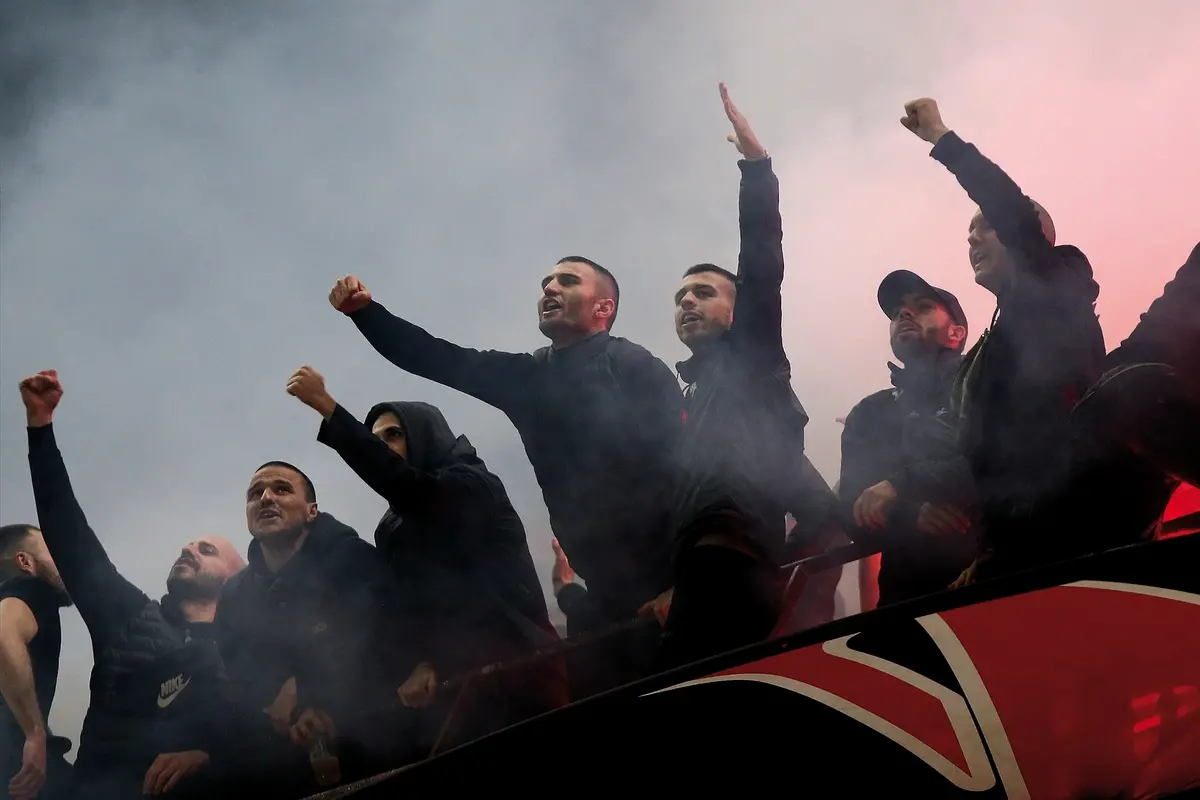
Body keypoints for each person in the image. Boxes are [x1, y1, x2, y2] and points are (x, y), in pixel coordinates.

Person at [327, 256, 680, 696]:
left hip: (676, 583)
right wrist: (365, 312)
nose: (549, 288)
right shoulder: (527, 377)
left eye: (566, 281)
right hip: (606, 597)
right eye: (545, 282)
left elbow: (687, 467)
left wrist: (684, 581)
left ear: (603, 308)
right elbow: (436, 357)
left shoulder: (634, 364)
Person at [286, 365, 567, 746]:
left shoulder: (473, 485)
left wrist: (327, 406)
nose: (383, 446)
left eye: (394, 435)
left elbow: (417, 495)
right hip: (453, 696)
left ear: (426, 436)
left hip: (521, 674)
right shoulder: (390, 528)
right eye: (375, 439)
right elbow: (402, 610)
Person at [901, 98, 1112, 579]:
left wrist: (943, 140)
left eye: (986, 227)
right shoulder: (990, 349)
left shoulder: (1055, 292)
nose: (972, 240)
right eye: (968, 233)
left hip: (1065, 539)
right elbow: (980, 452)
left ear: (1031, 237)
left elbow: (1012, 209)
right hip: (1015, 539)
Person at [19, 370, 245, 799]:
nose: (190, 551)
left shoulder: (245, 646)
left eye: (208, 551)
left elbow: (262, 734)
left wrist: (207, 754)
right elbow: (71, 538)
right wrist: (40, 430)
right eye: (188, 545)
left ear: (233, 579)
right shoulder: (132, 620)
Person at [655, 83, 814, 668]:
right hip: (705, 572)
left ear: (735, 308)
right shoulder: (695, 400)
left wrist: (756, 169)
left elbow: (762, 264)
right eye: (679, 297)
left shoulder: (751, 358)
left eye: (702, 292)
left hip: (732, 573)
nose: (687, 303)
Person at [214, 460, 417, 797]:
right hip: (293, 771)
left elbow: (393, 642)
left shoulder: (354, 561)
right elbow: (239, 683)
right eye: (255, 494)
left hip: (386, 746)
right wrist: (282, 711)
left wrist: (313, 696)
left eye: (281, 489)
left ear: (312, 511)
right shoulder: (235, 597)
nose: (266, 498)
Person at [839, 271, 978, 606]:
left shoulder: (984, 385)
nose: (903, 314)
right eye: (896, 312)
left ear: (956, 332)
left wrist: (902, 484)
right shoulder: (869, 413)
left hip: (998, 584)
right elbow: (848, 510)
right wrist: (911, 515)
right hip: (904, 606)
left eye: (923, 306)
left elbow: (1007, 462)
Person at [0, 525, 72, 800]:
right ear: (25, 561)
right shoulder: (32, 586)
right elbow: (4, 632)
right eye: (53, 552)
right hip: (18, 771)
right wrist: (34, 732)